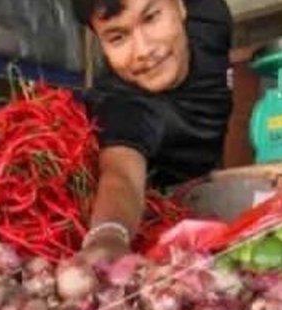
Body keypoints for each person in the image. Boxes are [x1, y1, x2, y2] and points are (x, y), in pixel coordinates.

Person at [73, 0, 233, 260]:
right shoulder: (119, 103)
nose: (143, 50)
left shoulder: (212, 18)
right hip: (173, 217)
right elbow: (121, 175)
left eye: (151, 18)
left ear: (181, 7)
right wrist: (107, 237)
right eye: (117, 37)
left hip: (217, 176)